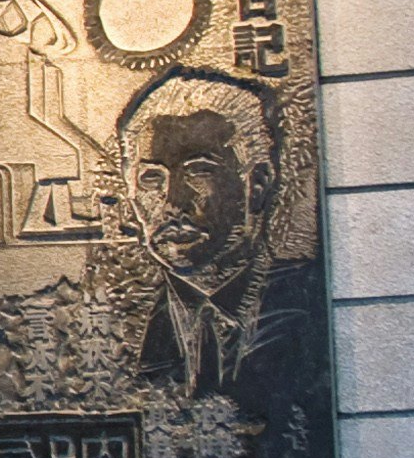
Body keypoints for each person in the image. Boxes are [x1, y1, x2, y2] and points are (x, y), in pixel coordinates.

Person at [114, 71, 299, 397]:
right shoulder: (111, 334)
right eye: (151, 178)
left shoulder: (301, 312)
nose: (172, 203)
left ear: (257, 185)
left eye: (199, 171)